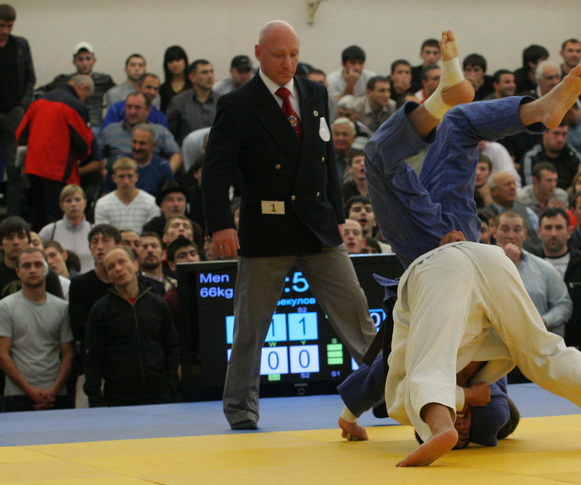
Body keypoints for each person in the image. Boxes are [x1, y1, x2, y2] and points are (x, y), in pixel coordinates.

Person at [340, 31, 581, 466]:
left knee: (439, 133)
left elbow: (381, 373)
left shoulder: (427, 371)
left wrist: (349, 416)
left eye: (454, 423)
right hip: (470, 254)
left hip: (456, 256)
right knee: (418, 142)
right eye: (464, 425)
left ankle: (463, 97)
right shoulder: (491, 373)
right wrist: (469, 398)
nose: (463, 420)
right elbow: (534, 360)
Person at [202, 20, 377, 430]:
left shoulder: (314, 93)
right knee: (250, 328)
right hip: (267, 228)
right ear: (259, 53)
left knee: (357, 316)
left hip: (318, 224)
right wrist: (221, 225)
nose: (288, 63)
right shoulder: (236, 104)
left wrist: (338, 216)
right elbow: (216, 171)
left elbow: (326, 161)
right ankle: (240, 409)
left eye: (294, 54)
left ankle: (389, 391)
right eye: (279, 55)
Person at [84, 246, 179, 407]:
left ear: (135, 264)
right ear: (108, 276)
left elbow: (172, 347)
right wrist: (95, 399)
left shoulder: (158, 304)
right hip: (118, 399)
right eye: (111, 267)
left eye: (122, 262)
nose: (118, 269)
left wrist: (171, 384)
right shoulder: (101, 310)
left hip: (159, 395)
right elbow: (93, 358)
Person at [16, 75, 95, 230]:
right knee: (56, 216)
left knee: (37, 212)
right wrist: (82, 157)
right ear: (83, 88)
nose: (84, 100)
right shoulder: (74, 106)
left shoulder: (38, 100)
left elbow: (20, 134)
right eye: (87, 96)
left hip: (33, 166)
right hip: (58, 169)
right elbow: (84, 144)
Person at [0, 248, 73, 412]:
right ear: (18, 272)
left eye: (38, 264)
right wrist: (29, 390)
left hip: (56, 394)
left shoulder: (62, 308)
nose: (33, 270)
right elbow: (2, 354)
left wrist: (54, 390)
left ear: (46, 269)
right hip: (17, 395)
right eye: (26, 266)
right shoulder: (5, 307)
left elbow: (68, 352)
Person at [492, 211, 572, 336]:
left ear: (524, 234)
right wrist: (505, 262)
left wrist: (543, 321)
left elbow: (563, 305)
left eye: (517, 230)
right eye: (505, 229)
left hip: (535, 340)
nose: (511, 236)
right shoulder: (480, 267)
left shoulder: (544, 268)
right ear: (494, 232)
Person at [538, 207, 581, 351]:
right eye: (548, 228)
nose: (553, 234)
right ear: (539, 232)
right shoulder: (529, 265)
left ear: (569, 232)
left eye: (559, 227)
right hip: (540, 345)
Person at [0, 4, 35, 220]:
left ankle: (13, 219)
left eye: (9, 26)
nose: (5, 31)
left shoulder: (20, 45)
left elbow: (30, 77)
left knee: (16, 170)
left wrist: (23, 105)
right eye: (1, 26)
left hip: (13, 112)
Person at [93, 157, 160, 234]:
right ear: (114, 178)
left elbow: (152, 235)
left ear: (136, 177)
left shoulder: (150, 202)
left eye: (130, 176)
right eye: (121, 176)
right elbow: (103, 235)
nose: (126, 181)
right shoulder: (102, 203)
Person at [38, 184, 94, 273]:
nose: (73, 204)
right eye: (68, 201)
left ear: (85, 203)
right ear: (61, 205)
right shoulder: (49, 231)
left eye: (77, 200)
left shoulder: (94, 230)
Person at [159, 45, 190, 113]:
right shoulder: (162, 89)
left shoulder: (194, 86)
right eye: (170, 61)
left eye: (178, 60)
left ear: (185, 61)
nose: (174, 64)